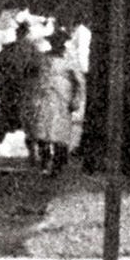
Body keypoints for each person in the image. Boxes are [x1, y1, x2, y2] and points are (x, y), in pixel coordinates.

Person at [0, 17, 44, 169]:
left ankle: (35, 156)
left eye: (23, 32)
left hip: (25, 92)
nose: (21, 35)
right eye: (20, 32)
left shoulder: (33, 51)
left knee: (30, 127)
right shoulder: (9, 50)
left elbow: (39, 72)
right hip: (11, 92)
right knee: (3, 125)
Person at [29, 30, 86, 176]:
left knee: (59, 133)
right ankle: (44, 161)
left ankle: (57, 165)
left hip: (62, 99)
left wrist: (76, 99)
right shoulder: (42, 58)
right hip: (44, 98)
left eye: (59, 41)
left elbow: (79, 82)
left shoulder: (70, 59)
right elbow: (33, 75)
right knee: (42, 132)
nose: (56, 44)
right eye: (53, 41)